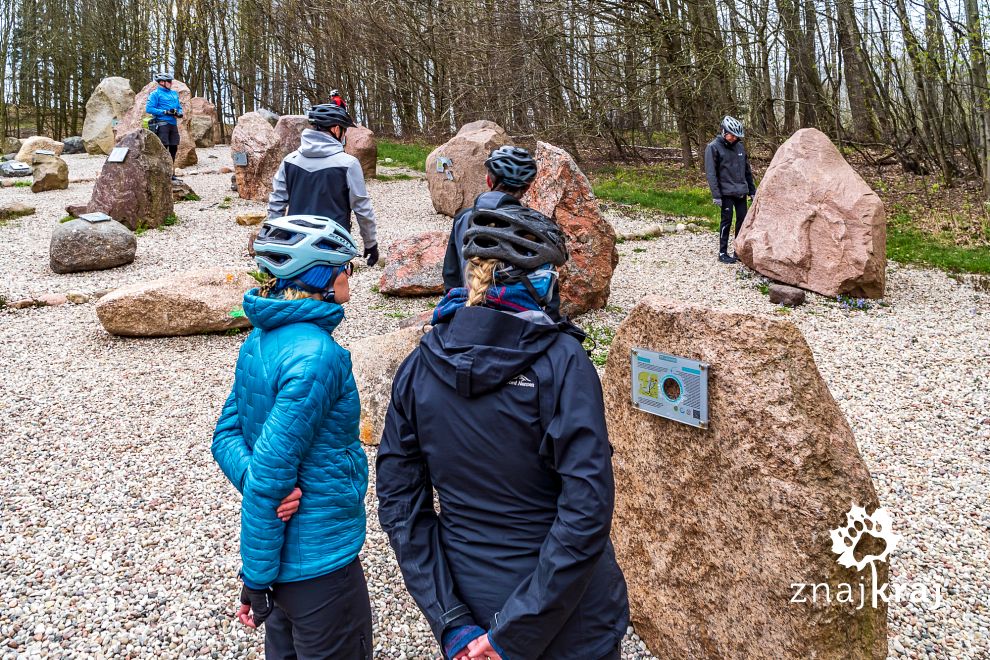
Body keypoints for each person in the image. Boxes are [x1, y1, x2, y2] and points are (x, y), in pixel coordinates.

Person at [377, 205, 629, 660]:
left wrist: (450, 619)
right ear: (534, 280)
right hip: (568, 619)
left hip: (469, 603)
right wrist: (512, 634)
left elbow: (400, 506)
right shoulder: (562, 363)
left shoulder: (418, 367)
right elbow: (586, 509)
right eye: (551, 273)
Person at [212, 214, 373, 659]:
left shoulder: (259, 340)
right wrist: (255, 579)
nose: (350, 279)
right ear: (323, 277)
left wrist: (260, 484)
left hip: (286, 567)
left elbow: (225, 436)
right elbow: (269, 473)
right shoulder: (320, 357)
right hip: (319, 561)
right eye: (347, 268)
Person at [441, 145, 565, 319]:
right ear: (527, 187)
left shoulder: (463, 218)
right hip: (525, 322)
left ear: (489, 180)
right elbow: (550, 295)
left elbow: (451, 275)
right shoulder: (539, 225)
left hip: (470, 312)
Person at [268, 104, 380, 266]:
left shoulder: (289, 161)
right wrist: (370, 243)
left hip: (295, 242)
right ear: (336, 129)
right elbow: (362, 207)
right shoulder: (348, 164)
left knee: (297, 288)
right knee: (336, 288)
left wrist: (274, 241)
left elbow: (276, 204)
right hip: (333, 243)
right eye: (344, 130)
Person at [705, 115, 757, 264]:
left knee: (742, 221)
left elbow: (747, 171)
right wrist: (716, 195)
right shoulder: (713, 147)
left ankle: (737, 251)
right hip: (725, 193)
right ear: (724, 131)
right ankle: (722, 253)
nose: (734, 138)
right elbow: (711, 174)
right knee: (726, 222)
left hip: (741, 191)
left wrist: (752, 191)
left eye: (736, 136)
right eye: (732, 135)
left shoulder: (740, 147)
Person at [145, 72, 183, 180]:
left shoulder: (174, 94)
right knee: (163, 148)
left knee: (174, 148)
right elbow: (149, 109)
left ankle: (171, 173)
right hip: (162, 125)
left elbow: (179, 107)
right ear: (162, 82)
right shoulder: (155, 94)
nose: (171, 83)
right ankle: (160, 173)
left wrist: (179, 112)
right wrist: (165, 112)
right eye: (169, 81)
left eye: (171, 81)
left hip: (173, 124)